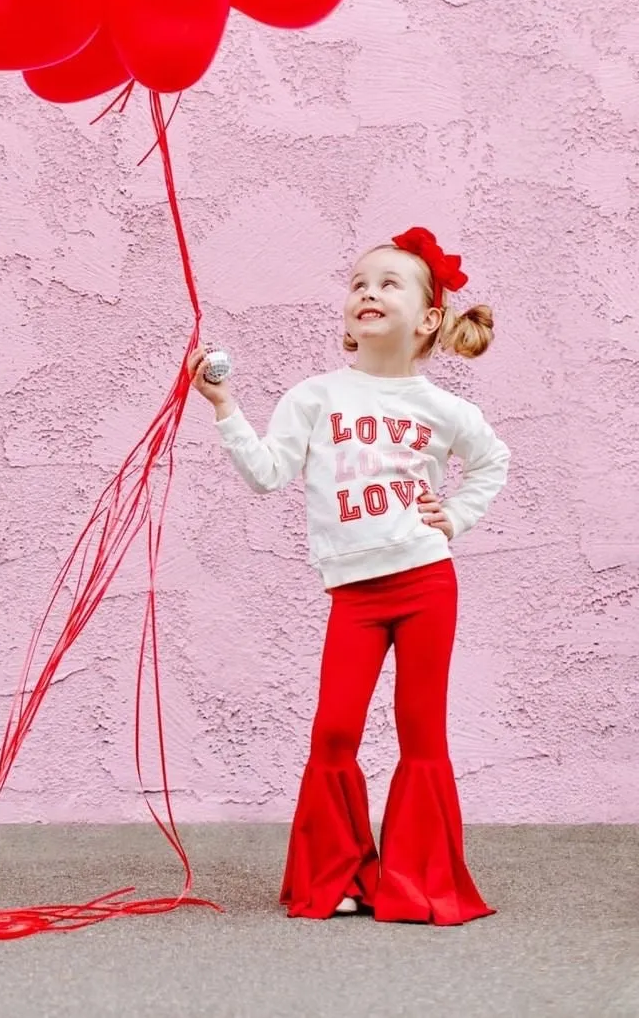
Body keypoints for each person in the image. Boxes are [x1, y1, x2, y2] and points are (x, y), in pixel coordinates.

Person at [190, 226, 509, 925]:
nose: (368, 291)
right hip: (354, 595)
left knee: (422, 733)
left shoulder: (444, 409)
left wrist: (452, 517)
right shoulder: (316, 396)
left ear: (428, 318)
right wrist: (224, 406)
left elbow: (493, 463)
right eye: (359, 283)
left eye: (389, 282)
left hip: (426, 584)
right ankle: (338, 875)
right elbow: (268, 472)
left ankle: (418, 882)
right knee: (334, 731)